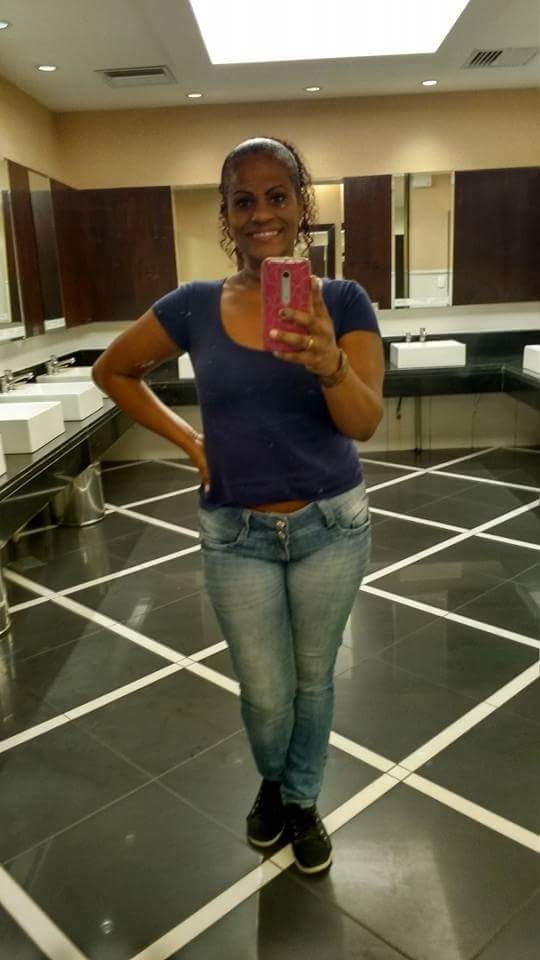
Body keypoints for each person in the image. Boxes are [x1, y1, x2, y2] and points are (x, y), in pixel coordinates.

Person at [92, 136, 384, 875]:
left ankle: (300, 798)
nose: (261, 214)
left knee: (314, 679)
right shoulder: (193, 305)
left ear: (300, 206)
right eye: (243, 201)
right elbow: (114, 370)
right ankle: (272, 777)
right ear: (225, 215)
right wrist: (192, 443)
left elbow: (363, 423)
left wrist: (330, 363)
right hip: (234, 532)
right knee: (265, 691)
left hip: (331, 527)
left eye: (277, 196)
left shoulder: (343, 301)